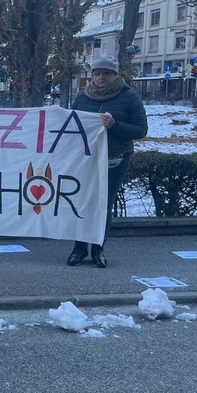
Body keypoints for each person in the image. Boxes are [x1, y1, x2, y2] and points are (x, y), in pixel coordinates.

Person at [67, 56, 148, 268]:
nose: (101, 77)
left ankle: (98, 248)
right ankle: (79, 246)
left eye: (106, 73)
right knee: (82, 202)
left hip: (116, 158)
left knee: (104, 203)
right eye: (97, 73)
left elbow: (141, 130)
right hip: (86, 159)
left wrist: (115, 125)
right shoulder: (83, 97)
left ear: (115, 75)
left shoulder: (129, 97)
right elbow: (72, 124)